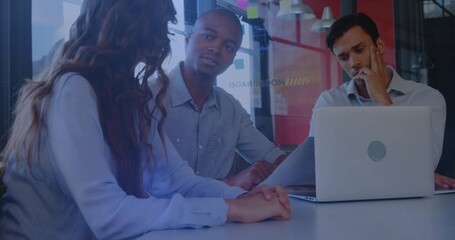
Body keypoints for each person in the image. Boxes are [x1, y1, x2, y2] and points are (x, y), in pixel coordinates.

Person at [0, 1, 291, 239]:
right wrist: (230, 208)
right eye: (161, 26)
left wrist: (246, 198)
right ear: (131, 23)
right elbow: (107, 215)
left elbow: (177, 179)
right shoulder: (73, 88)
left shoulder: (128, 97)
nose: (165, 39)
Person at [307, 12, 455, 189]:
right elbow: (316, 167)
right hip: (346, 201)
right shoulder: (329, 102)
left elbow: (424, 165)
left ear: (380, 45)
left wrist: (381, 100)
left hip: (407, 204)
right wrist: (404, 172)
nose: (353, 63)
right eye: (343, 57)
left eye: (359, 50)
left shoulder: (426, 98)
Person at [148, 9, 286, 191]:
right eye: (208, 36)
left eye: (229, 47)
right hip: (162, 217)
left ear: (233, 58)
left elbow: (272, 156)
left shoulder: (231, 108)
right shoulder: (146, 97)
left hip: (225, 217)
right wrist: (230, 183)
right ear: (188, 39)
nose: (216, 48)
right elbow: (142, 187)